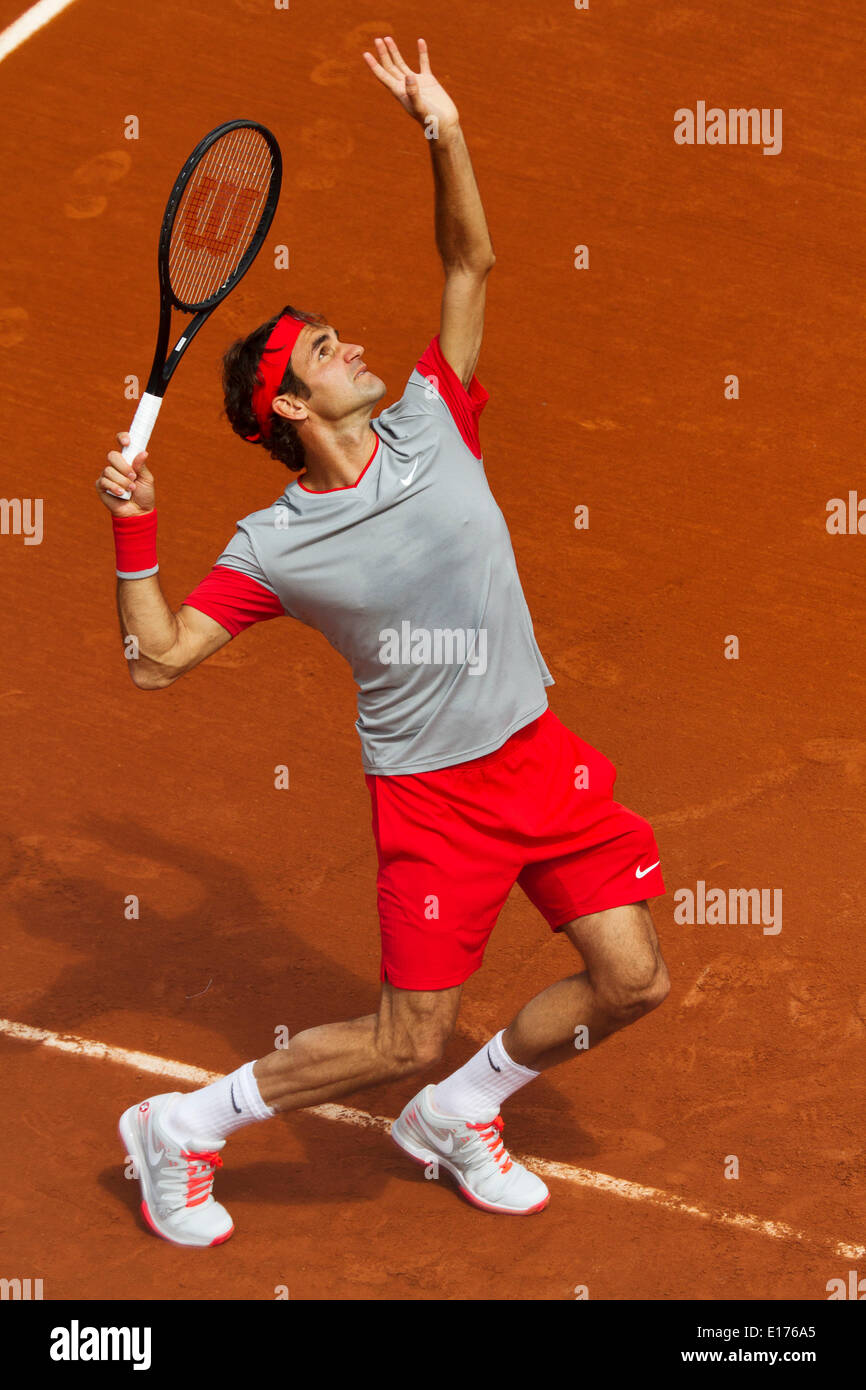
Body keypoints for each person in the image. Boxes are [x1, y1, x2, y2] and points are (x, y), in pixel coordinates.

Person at [99, 36, 669, 1248]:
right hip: (436, 803)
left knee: (630, 980)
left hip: (538, 755)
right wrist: (135, 528)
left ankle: (459, 1113)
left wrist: (440, 127)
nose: (348, 343)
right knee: (400, 1033)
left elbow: (471, 257)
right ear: (292, 409)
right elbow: (156, 658)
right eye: (320, 349)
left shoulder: (430, 417)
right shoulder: (272, 545)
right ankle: (185, 1126)